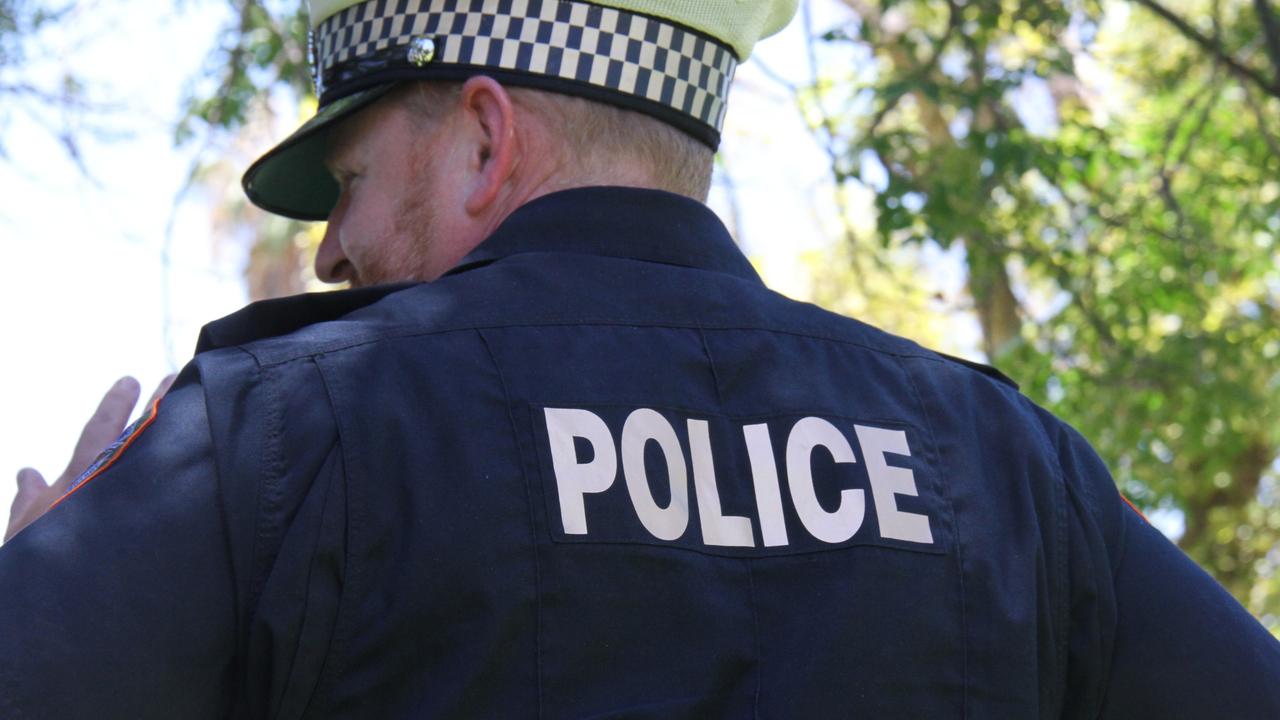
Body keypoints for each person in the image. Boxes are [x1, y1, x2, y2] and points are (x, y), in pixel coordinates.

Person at [2, 0, 1278, 717]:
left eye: (348, 181)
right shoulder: (1011, 473)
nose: (330, 250)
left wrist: (51, 590)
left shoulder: (274, 438)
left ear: (485, 141)